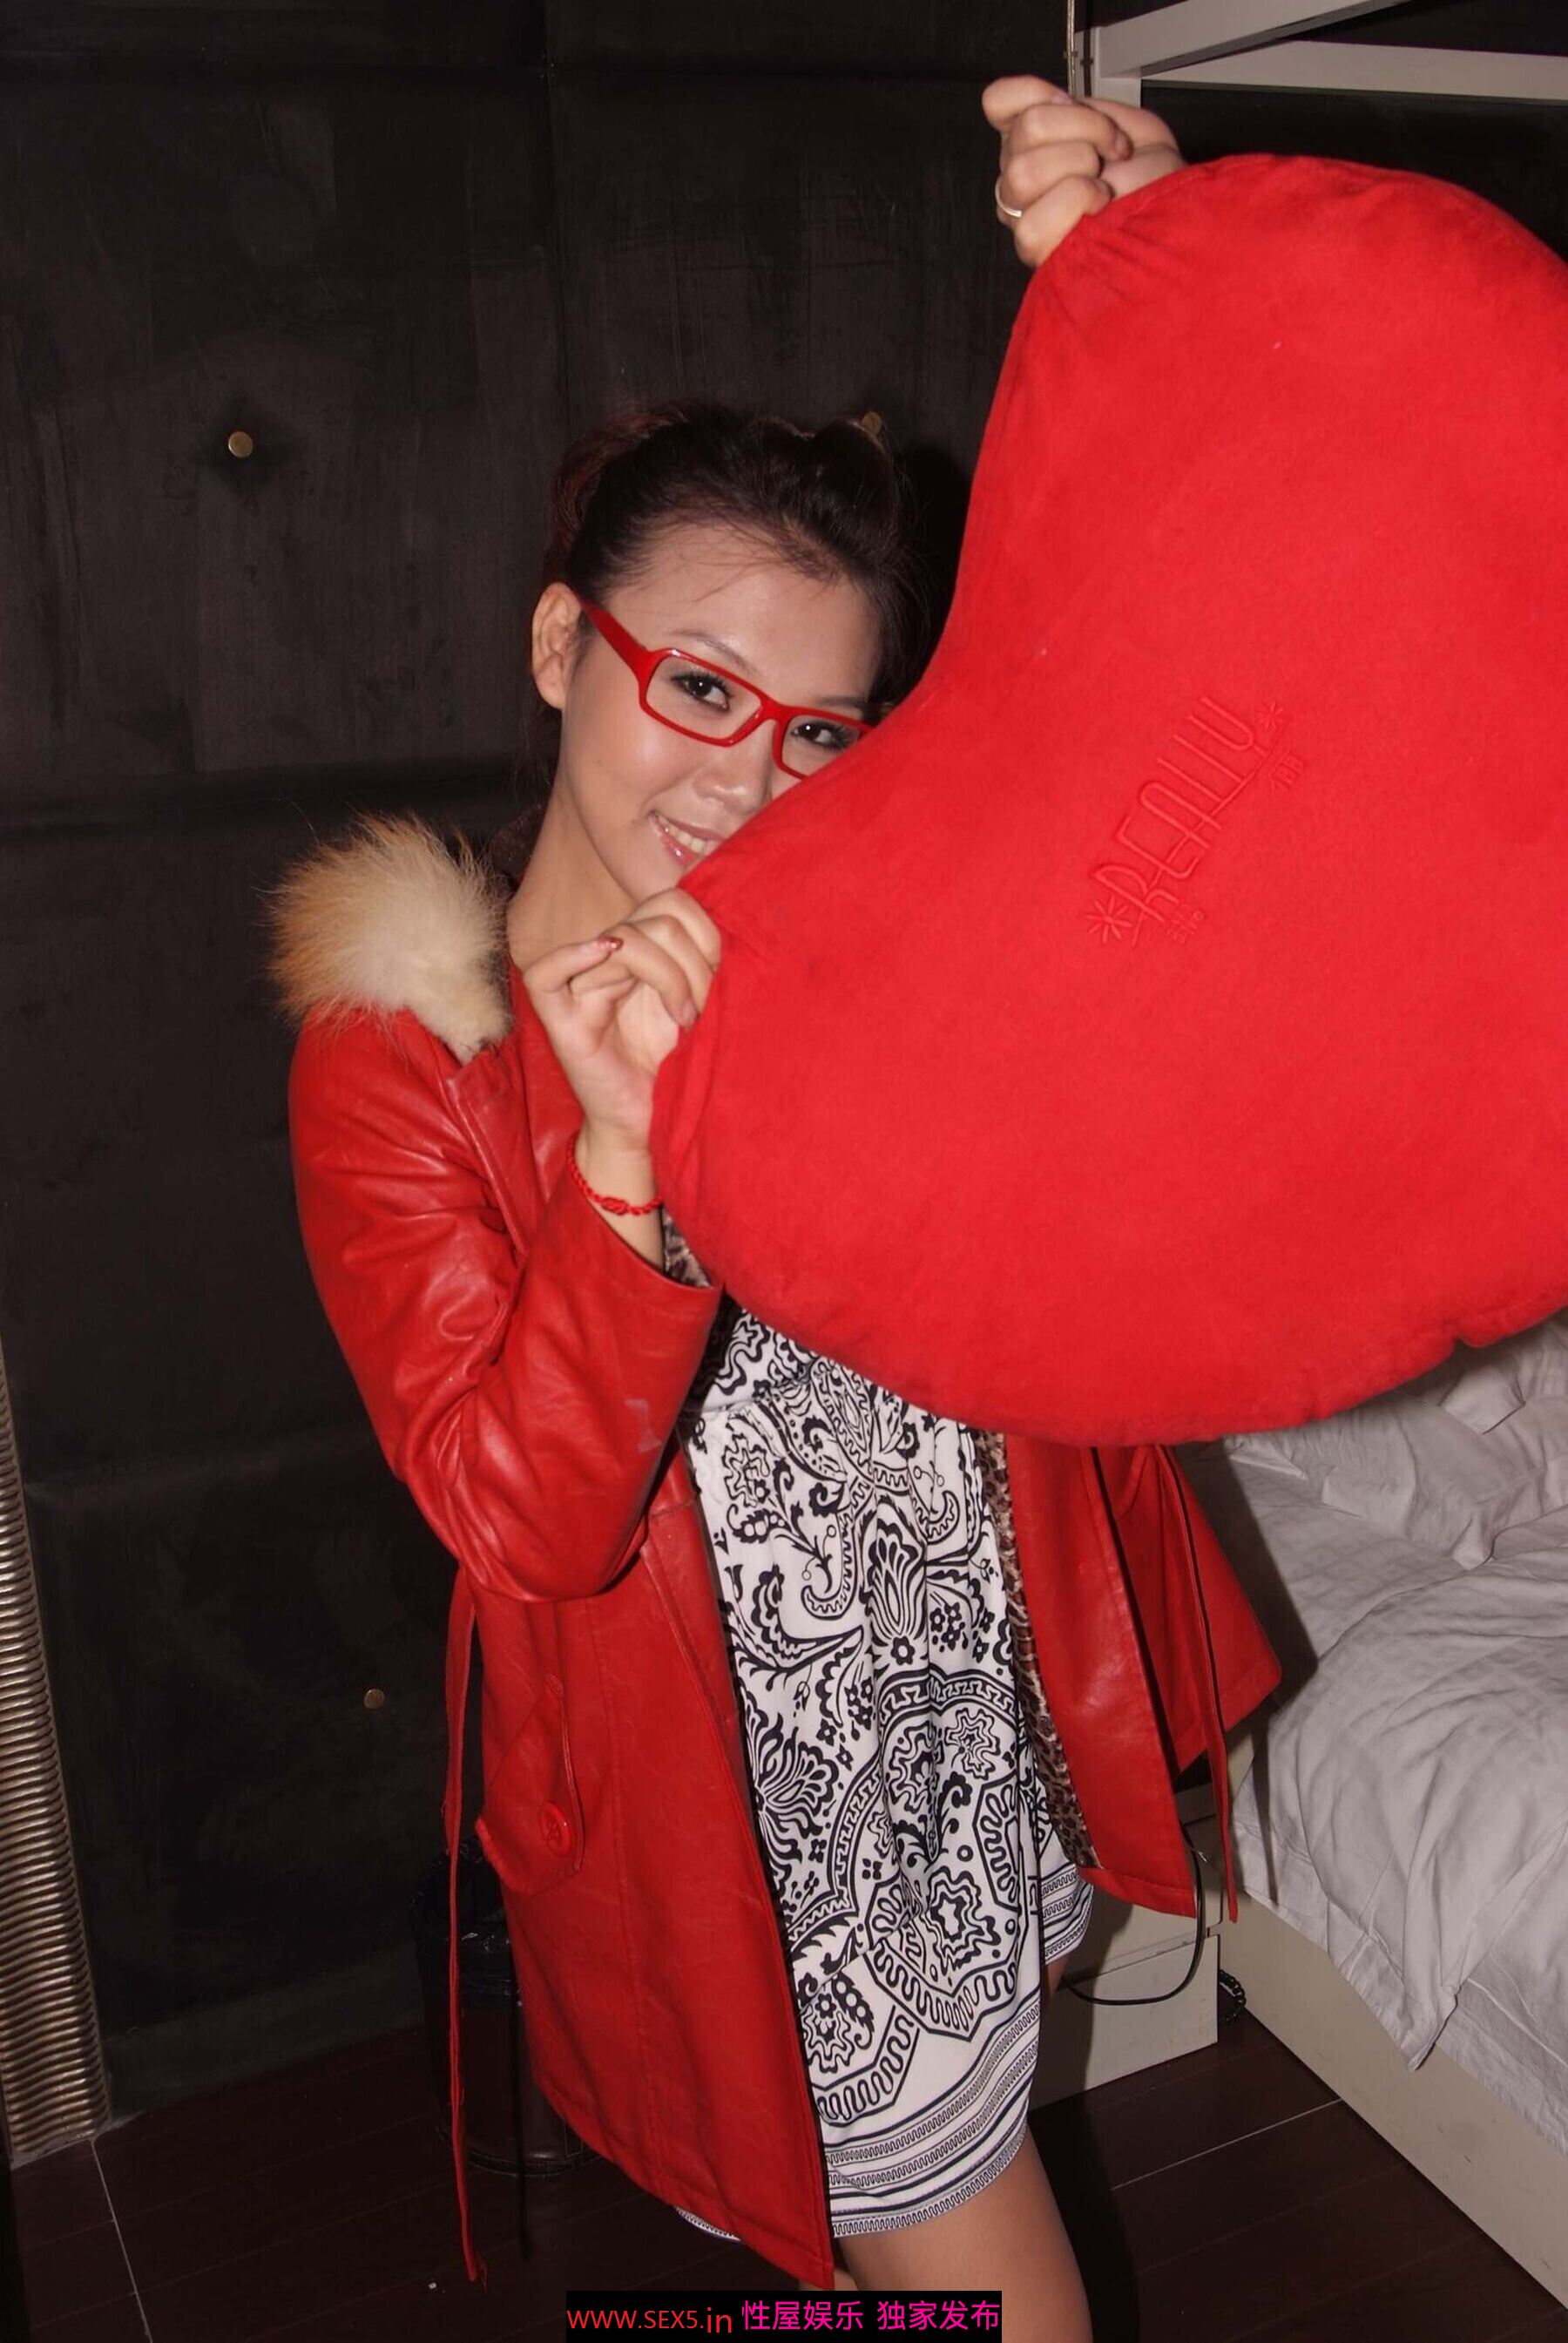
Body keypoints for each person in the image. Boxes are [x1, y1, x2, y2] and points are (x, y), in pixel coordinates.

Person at [272, 80, 1276, 2340]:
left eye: (820, 728)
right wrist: (626, 1174)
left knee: (845, 2268)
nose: (748, 781)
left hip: (963, 1738)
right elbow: (520, 1516)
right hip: (760, 1856)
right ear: (562, 648)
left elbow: (1166, 749)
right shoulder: (409, 1055)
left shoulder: (850, 951)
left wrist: (1168, 303)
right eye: (700, 687)